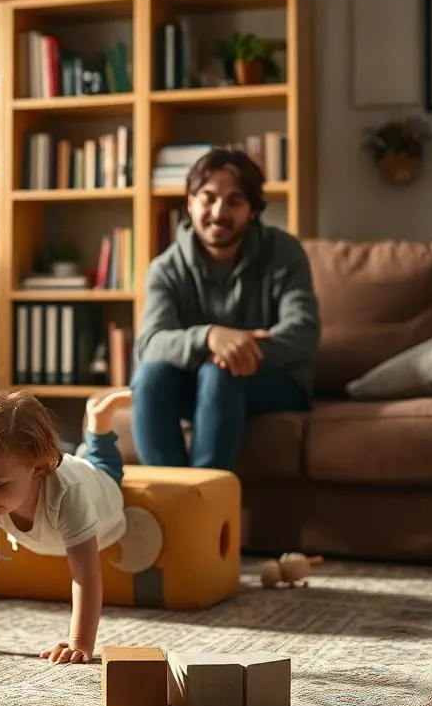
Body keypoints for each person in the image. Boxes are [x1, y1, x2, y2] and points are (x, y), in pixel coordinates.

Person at [131, 147, 320, 471]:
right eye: (208, 198)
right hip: (196, 383)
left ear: (252, 210)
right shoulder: (166, 267)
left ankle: (206, 503)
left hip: (275, 382)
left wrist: (238, 350)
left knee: (219, 372)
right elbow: (150, 344)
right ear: (190, 203)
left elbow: (303, 331)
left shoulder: (284, 252)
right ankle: (175, 503)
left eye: (234, 201)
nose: (219, 212)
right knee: (149, 376)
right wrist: (210, 338)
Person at [0, 387, 133, 665]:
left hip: (102, 493)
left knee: (104, 466)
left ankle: (98, 421)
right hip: (56, 478)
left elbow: (86, 574)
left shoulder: (68, 494)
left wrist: (79, 642)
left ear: (38, 470)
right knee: (80, 459)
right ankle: (83, 444)